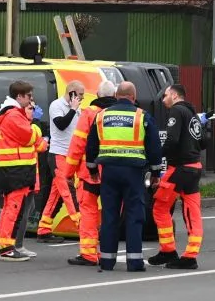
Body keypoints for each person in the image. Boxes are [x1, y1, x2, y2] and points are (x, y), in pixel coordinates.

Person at [86, 81, 162, 272]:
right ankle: (134, 262)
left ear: (116, 96)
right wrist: (155, 173)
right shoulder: (141, 116)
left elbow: (91, 145)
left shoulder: (101, 116)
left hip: (109, 172)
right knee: (134, 215)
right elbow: (154, 147)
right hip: (133, 173)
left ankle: (107, 261)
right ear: (133, 97)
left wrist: (93, 170)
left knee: (109, 216)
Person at [60, 80, 118, 266]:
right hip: (113, 172)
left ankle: (88, 253)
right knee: (110, 212)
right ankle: (108, 253)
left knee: (88, 212)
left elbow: (77, 145)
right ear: (114, 96)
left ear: (98, 95)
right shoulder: (120, 114)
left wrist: (68, 172)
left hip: (89, 173)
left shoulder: (89, 113)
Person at [149, 84, 206, 269]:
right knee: (192, 212)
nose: (163, 100)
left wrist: (156, 158)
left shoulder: (176, 110)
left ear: (174, 95)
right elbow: (203, 142)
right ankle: (190, 255)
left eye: (165, 96)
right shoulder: (193, 114)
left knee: (160, 207)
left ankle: (168, 250)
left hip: (179, 168)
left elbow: (172, 140)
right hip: (194, 168)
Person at [0, 80, 49, 261]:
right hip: (15, 170)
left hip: (14, 170)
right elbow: (30, 137)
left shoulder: (13, 115)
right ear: (19, 96)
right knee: (13, 210)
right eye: (29, 96)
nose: (31, 100)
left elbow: (31, 141)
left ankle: (6, 246)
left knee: (11, 210)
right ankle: (6, 248)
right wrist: (35, 125)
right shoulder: (14, 116)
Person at [36, 81, 85, 241]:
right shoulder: (56, 105)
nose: (82, 98)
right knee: (69, 192)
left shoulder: (77, 109)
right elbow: (61, 125)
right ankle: (84, 227)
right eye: (80, 95)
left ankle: (43, 228)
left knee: (56, 195)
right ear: (72, 93)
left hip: (70, 157)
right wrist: (73, 109)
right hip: (58, 155)